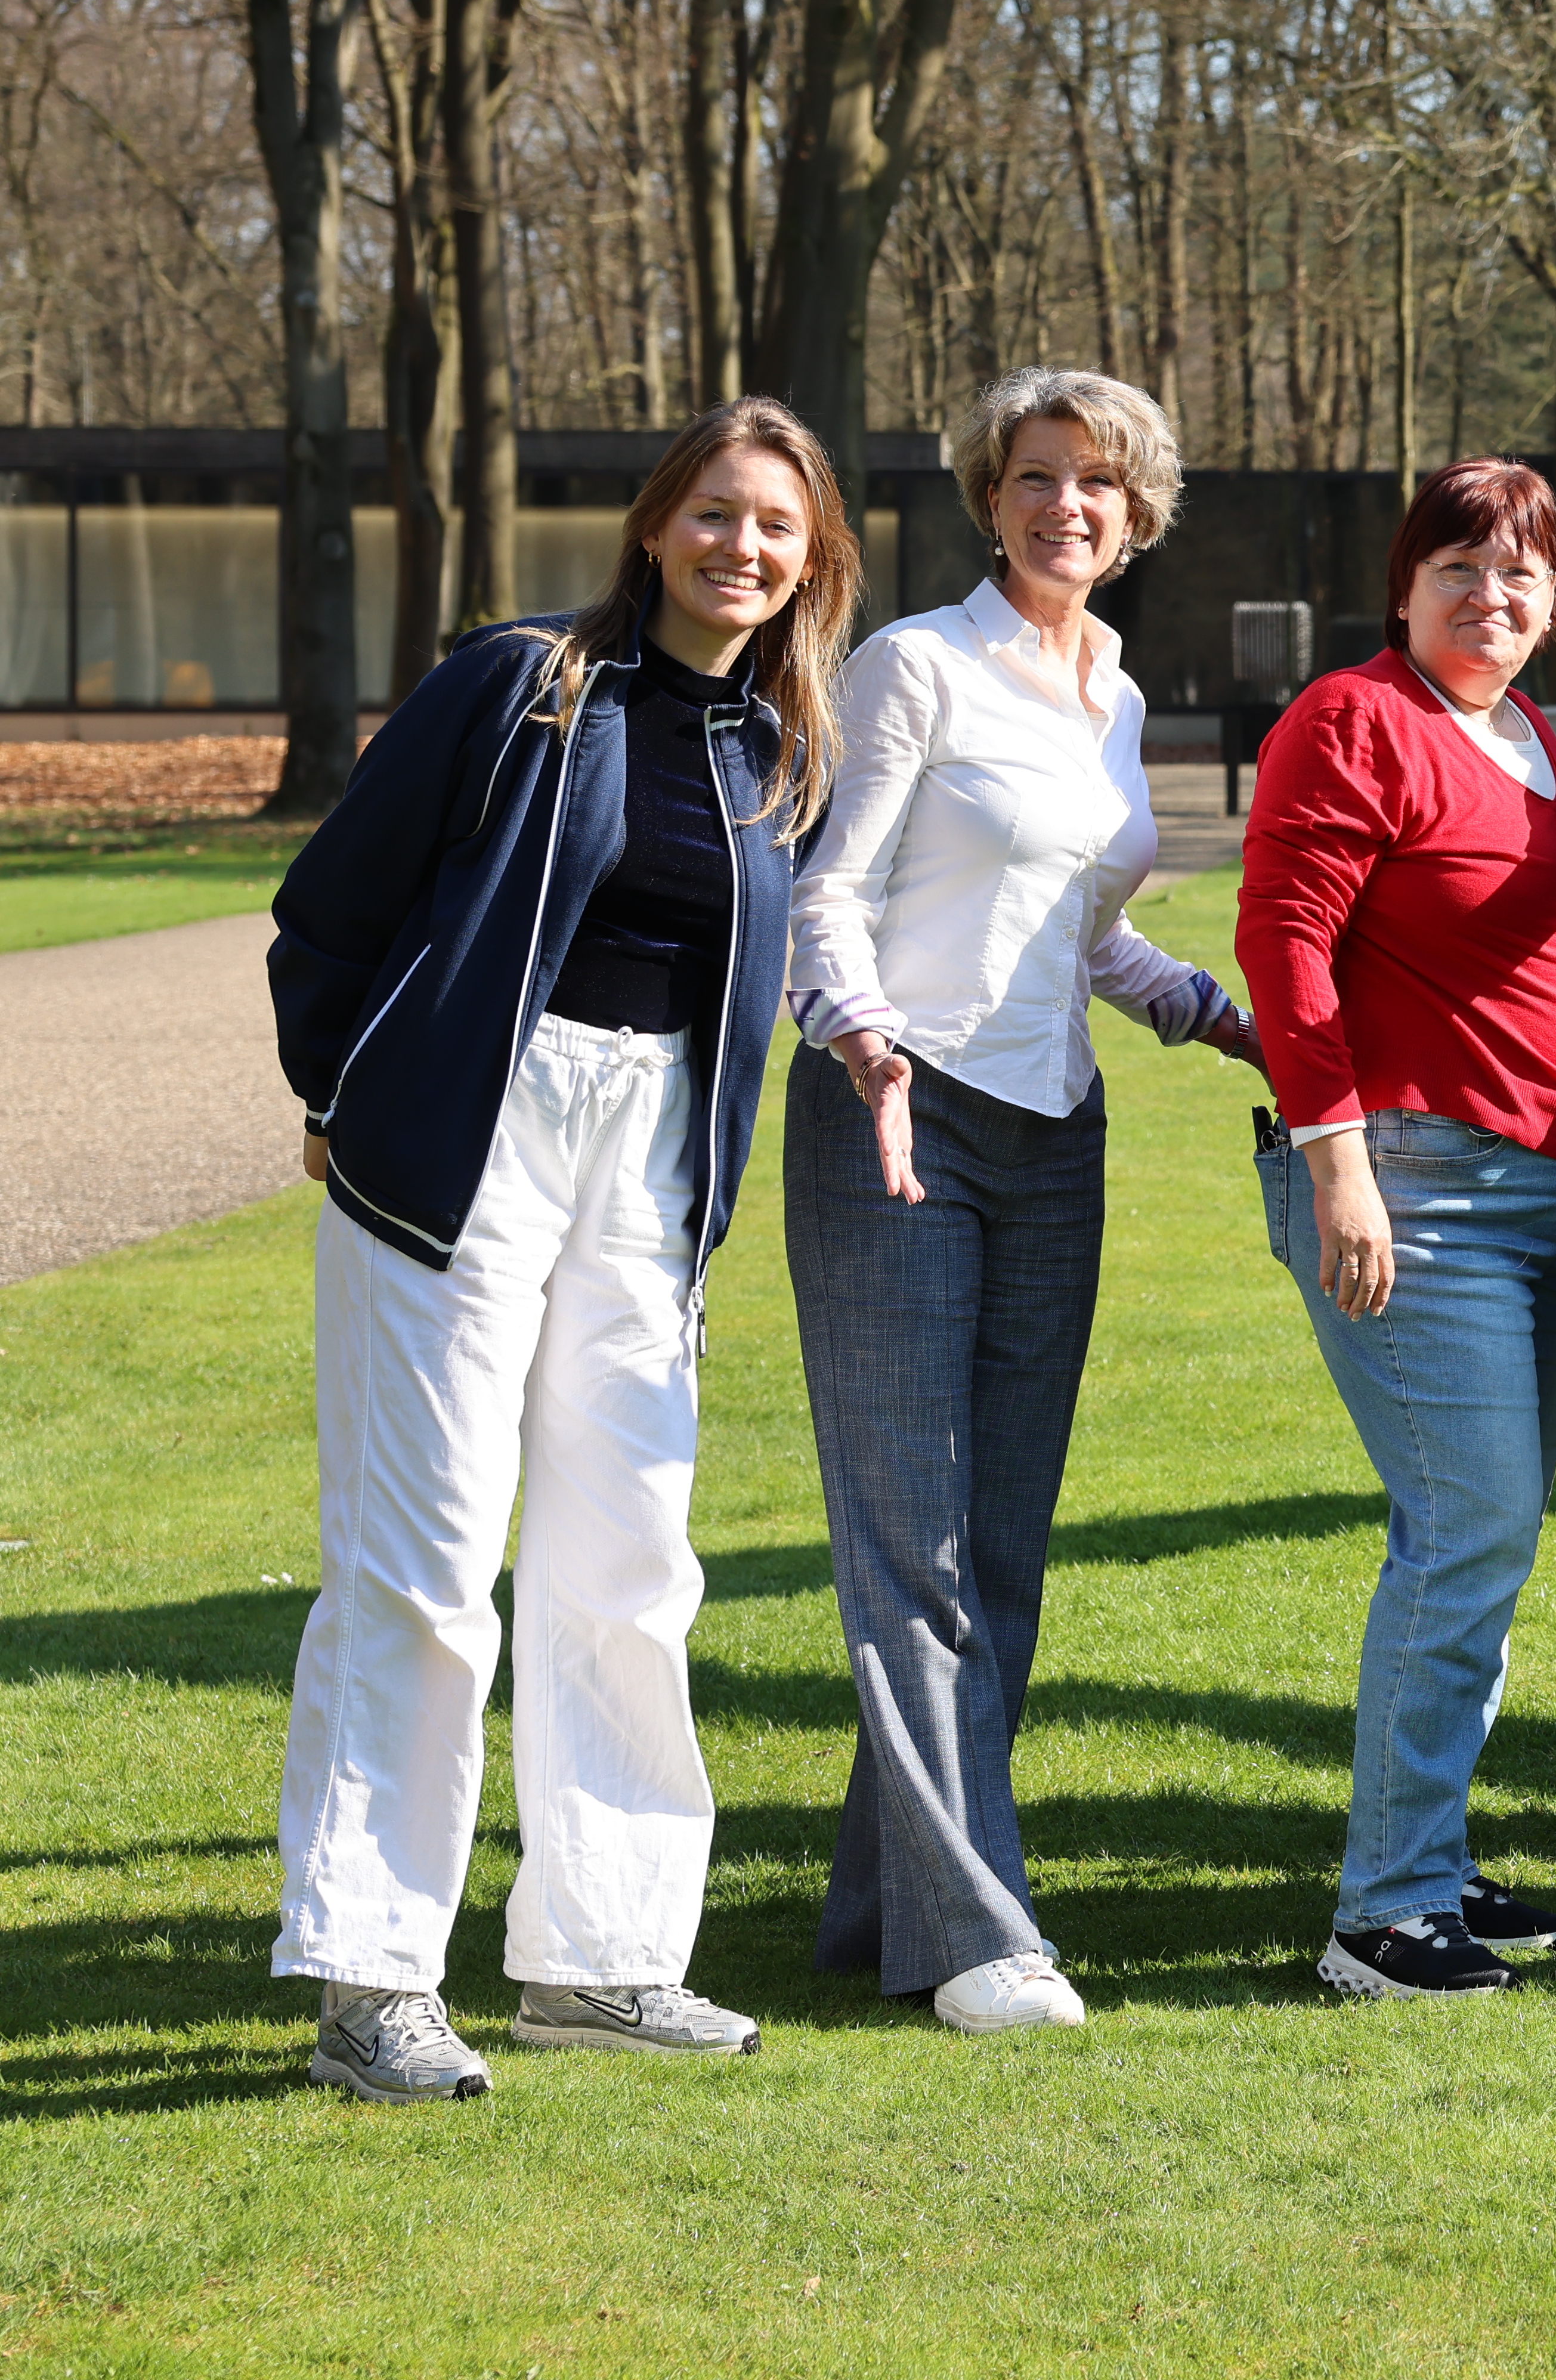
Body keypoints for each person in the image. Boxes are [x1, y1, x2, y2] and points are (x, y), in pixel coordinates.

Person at [262, 400, 858, 2102]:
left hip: (651, 1170)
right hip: (467, 1146)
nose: (743, 549)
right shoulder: (523, 681)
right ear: (658, 520)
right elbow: (334, 901)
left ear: (814, 561)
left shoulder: (783, 748)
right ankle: (374, 1977)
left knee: (627, 1568)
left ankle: (602, 1960)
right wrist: (346, 1086)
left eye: (778, 529)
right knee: (426, 1566)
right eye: (718, 513)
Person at [783, 367, 1255, 2036]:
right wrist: (863, 1044)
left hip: (1057, 1134)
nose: (1070, 508)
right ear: (991, 496)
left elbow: (1075, 928)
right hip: (894, 1126)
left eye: (1102, 487)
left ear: (1137, 519)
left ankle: (873, 1907)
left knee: (1002, 1545)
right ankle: (979, 1931)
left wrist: (1213, 1010)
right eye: (1040, 479)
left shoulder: (1115, 692)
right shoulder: (913, 665)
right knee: (910, 1544)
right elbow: (821, 894)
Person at [1236, 459, 1556, 2008]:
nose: (1495, 597)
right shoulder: (1356, 721)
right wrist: (1336, 1161)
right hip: (1414, 1192)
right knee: (1463, 1533)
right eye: (1462, 569)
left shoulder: (1550, 741)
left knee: (1488, 1538)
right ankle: (1385, 1912)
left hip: (1551, 1201)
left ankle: (1435, 1846)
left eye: (1524, 574)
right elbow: (1286, 938)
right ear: (1405, 588)